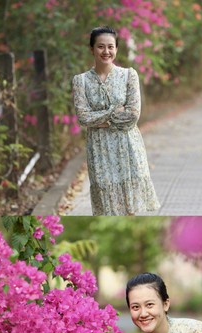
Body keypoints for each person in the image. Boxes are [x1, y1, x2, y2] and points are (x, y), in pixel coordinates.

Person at [72, 27, 159, 215]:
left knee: (130, 208)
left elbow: (132, 116)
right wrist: (113, 113)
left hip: (127, 146)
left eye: (110, 47)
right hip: (99, 148)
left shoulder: (129, 75)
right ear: (92, 49)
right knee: (107, 207)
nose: (106, 51)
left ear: (116, 49)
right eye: (101, 46)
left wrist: (101, 119)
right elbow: (83, 117)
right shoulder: (81, 81)